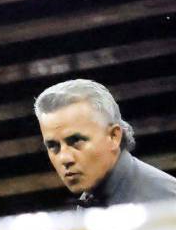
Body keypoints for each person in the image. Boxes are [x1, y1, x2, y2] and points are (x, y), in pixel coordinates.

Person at [36, 79, 176, 208]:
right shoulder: (92, 198)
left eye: (76, 141)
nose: (64, 158)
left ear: (113, 136)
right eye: (53, 146)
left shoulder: (164, 203)